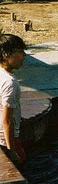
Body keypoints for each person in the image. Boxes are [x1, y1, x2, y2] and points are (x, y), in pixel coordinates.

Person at [0, 34, 27, 165]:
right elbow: (7, 120)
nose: (24, 56)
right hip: (6, 141)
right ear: (6, 55)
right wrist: (12, 151)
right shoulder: (10, 83)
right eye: (20, 52)